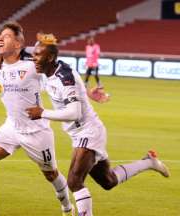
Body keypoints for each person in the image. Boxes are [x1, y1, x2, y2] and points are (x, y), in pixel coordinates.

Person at [25, 33, 170, 216]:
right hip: (81, 133)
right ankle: (148, 162)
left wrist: (42, 113)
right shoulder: (50, 70)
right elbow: (75, 89)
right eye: (34, 54)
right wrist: (87, 93)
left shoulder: (64, 77)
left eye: (38, 55)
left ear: (51, 57)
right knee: (108, 181)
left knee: (74, 181)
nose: (34, 59)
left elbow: (74, 113)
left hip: (89, 132)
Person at [0, 22, 73, 216]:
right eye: (0, 35)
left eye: (7, 36)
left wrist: (83, 95)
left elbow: (57, 69)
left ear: (18, 44)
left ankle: (67, 208)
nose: (0, 39)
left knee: (51, 173)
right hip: (11, 126)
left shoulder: (33, 63)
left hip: (36, 130)